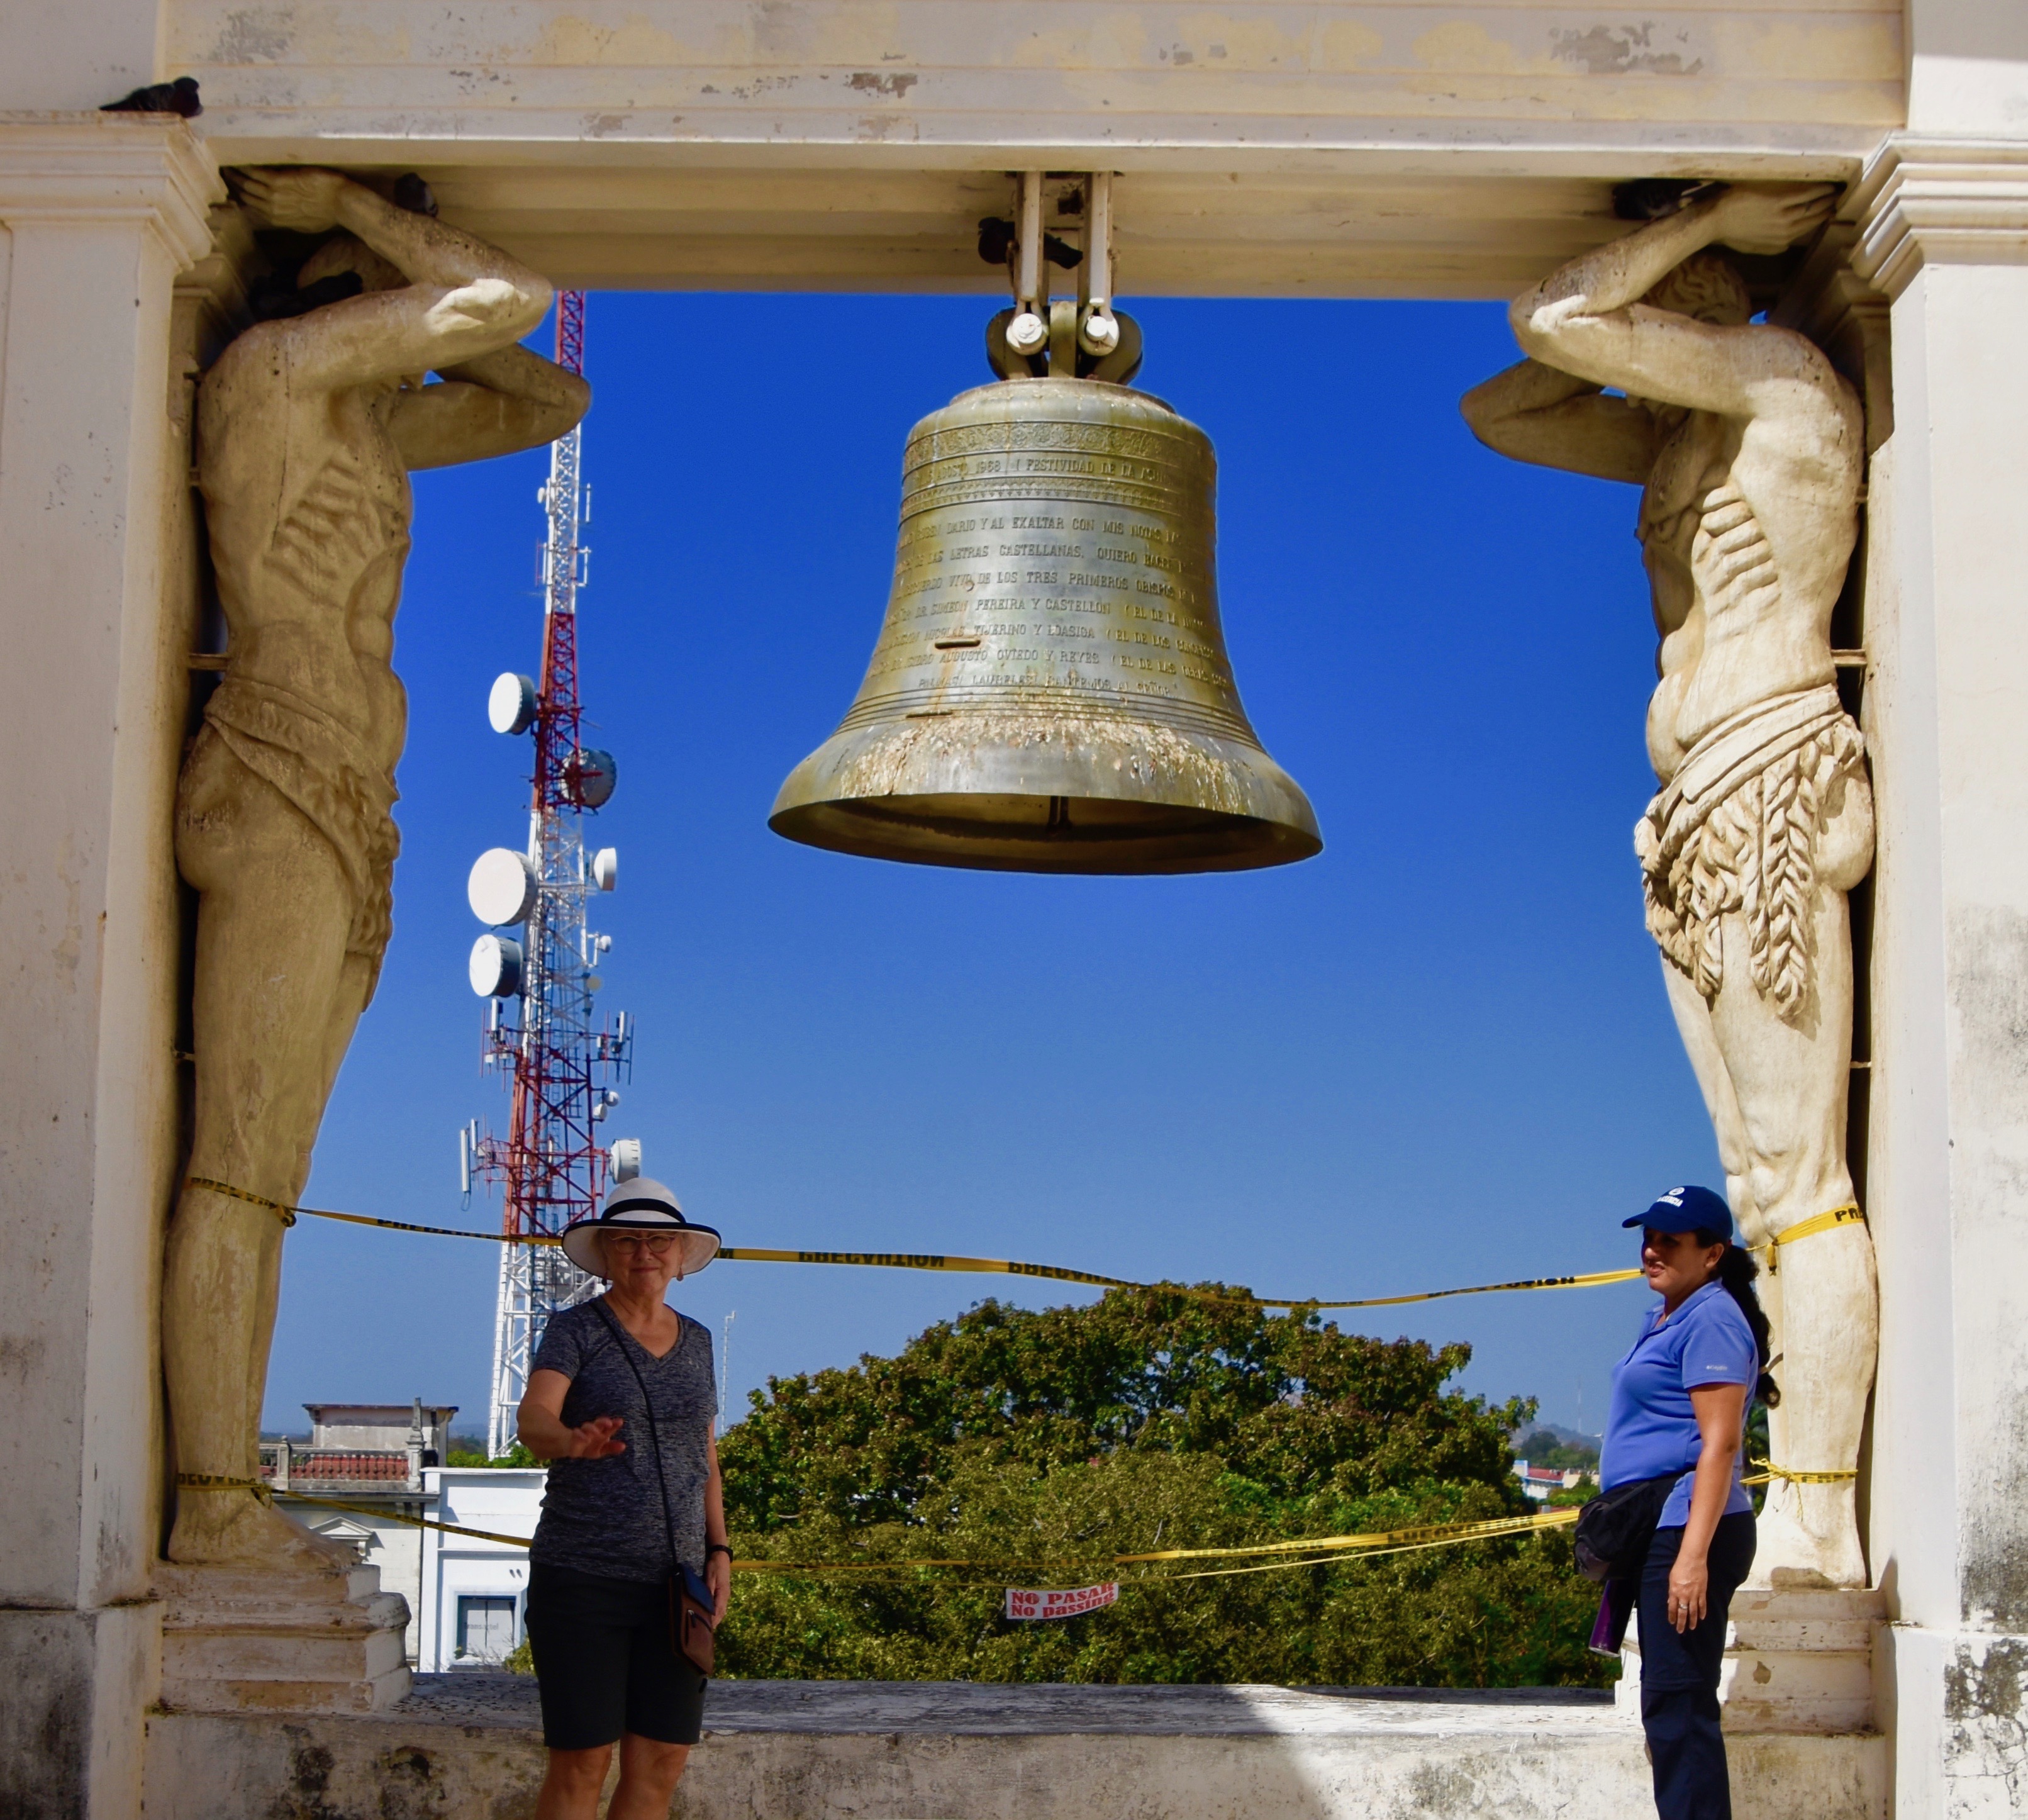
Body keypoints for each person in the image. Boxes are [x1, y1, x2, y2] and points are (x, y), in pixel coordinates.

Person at [166, 165, 589, 1563]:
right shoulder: (272, 379)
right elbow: (507, 301)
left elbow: (549, 399)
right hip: (283, 769)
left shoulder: (367, 427)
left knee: (272, 1177)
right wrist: (358, 204)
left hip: (353, 802)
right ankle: (217, 1501)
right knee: (236, 1173)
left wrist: (395, 270)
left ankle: (226, 1489)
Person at [1461, 181, 1875, 1588]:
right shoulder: (1670, 448)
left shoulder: (1783, 386)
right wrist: (1651, 292)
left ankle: (1818, 1518)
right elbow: (1503, 408)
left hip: (1764, 782)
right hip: (1689, 817)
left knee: (1796, 1191)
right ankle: (1805, 1498)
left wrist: (1703, 219)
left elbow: (1555, 316)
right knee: (1762, 1189)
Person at [516, 1180, 732, 1820]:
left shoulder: (697, 1341)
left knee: (661, 1762)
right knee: (582, 1764)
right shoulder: (574, 1331)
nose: (644, 1251)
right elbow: (533, 1419)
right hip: (582, 1579)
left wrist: (718, 1547)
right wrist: (570, 1441)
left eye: (658, 1239)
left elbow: (705, 1455)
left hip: (676, 1590)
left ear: (679, 1254)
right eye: (628, 1240)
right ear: (606, 1253)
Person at [1605, 1183, 1778, 1820]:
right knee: (1669, 1705)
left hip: (1689, 1527)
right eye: (1646, 1237)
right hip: (1667, 1525)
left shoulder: (1709, 1317)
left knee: (1678, 1707)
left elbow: (1719, 1443)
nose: (1651, 1249)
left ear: (1712, 1253)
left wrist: (1690, 1557)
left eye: (1668, 1240)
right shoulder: (1675, 1312)